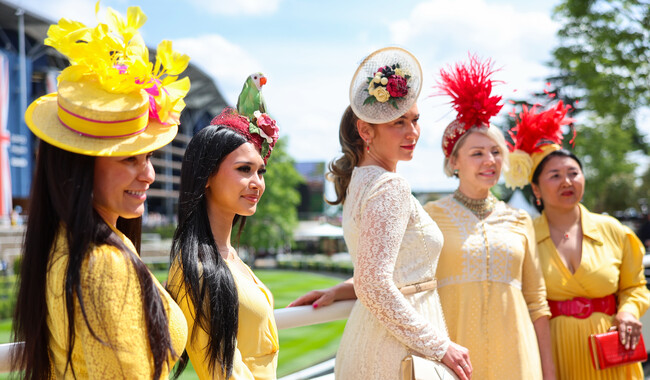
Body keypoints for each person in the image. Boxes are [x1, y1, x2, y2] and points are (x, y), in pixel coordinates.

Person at [12, 6, 190, 379]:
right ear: (80, 168)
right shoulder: (100, 264)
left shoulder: (77, 245)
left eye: (149, 156)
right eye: (129, 159)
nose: (150, 175)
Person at [290, 47, 471, 380]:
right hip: (398, 351)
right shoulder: (390, 186)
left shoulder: (359, 182)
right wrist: (440, 346)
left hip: (378, 338)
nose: (412, 132)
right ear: (365, 131)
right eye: (398, 122)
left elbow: (376, 272)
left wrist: (344, 288)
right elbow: (374, 284)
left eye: (414, 120)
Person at [422, 56, 554, 380]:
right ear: (454, 162)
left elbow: (537, 304)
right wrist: (343, 290)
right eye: (477, 153)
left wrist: (550, 373)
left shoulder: (520, 220)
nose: (490, 160)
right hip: (455, 361)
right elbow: (403, 281)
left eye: (496, 152)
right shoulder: (429, 217)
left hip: (519, 360)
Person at [505, 100, 650, 379]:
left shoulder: (614, 231)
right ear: (535, 187)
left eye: (573, 173)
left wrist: (629, 312)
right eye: (555, 175)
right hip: (552, 356)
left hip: (613, 353)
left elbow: (636, 286)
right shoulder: (522, 237)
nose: (567, 182)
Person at [166, 88, 280, 379]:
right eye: (244, 169)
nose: (257, 183)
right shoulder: (196, 270)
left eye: (261, 172)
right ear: (207, 178)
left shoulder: (227, 256)